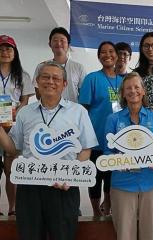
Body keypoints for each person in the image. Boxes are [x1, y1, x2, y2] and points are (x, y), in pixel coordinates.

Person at [0, 61, 98, 240]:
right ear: (37, 81)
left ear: (64, 84)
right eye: (45, 77)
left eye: (56, 78)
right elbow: (14, 149)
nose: (50, 81)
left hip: (64, 188)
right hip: (29, 187)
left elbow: (85, 149)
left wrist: (71, 176)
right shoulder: (25, 113)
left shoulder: (78, 112)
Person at [104, 72, 153, 240]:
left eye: (137, 87)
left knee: (151, 234)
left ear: (143, 91)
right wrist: (117, 162)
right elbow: (107, 152)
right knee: (124, 234)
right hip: (122, 184)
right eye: (128, 88)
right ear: (123, 93)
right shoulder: (113, 119)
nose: (133, 91)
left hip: (152, 183)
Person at [79, 41, 123, 216]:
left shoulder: (124, 80)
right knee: (95, 179)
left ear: (117, 55)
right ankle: (97, 212)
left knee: (112, 178)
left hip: (118, 140)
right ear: (99, 57)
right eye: (103, 52)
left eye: (111, 51)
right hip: (96, 137)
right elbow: (83, 110)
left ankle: (108, 206)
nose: (107, 55)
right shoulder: (92, 78)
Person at [0, 35, 35, 216]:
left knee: (10, 169)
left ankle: (12, 208)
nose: (5, 52)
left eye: (8, 49)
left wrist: (14, 116)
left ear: (15, 53)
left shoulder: (23, 75)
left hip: (13, 127)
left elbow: (25, 101)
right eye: (1, 49)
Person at [33, 27, 86, 102]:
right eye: (55, 40)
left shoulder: (78, 67)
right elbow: (38, 93)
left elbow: (83, 94)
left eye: (62, 40)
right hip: (48, 111)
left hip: (71, 111)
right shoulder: (42, 67)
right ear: (49, 44)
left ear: (68, 45)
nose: (58, 43)